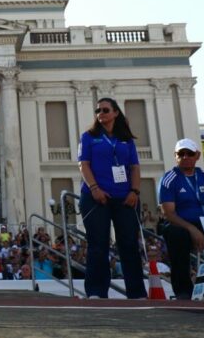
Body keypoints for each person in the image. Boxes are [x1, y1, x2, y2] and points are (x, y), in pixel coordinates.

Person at [77, 97, 146, 299]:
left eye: (105, 110)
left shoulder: (126, 139)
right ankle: (96, 292)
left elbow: (134, 167)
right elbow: (84, 164)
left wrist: (134, 191)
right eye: (98, 110)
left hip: (125, 198)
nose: (101, 113)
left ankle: (136, 292)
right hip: (97, 198)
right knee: (98, 245)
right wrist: (94, 188)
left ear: (116, 113)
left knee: (129, 245)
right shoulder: (89, 137)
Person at [158, 138, 204, 299]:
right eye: (181, 153)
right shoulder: (169, 179)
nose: (186, 156)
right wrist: (192, 229)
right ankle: (183, 292)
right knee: (176, 234)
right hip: (183, 224)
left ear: (197, 155)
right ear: (176, 156)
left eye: (190, 153)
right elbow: (168, 213)